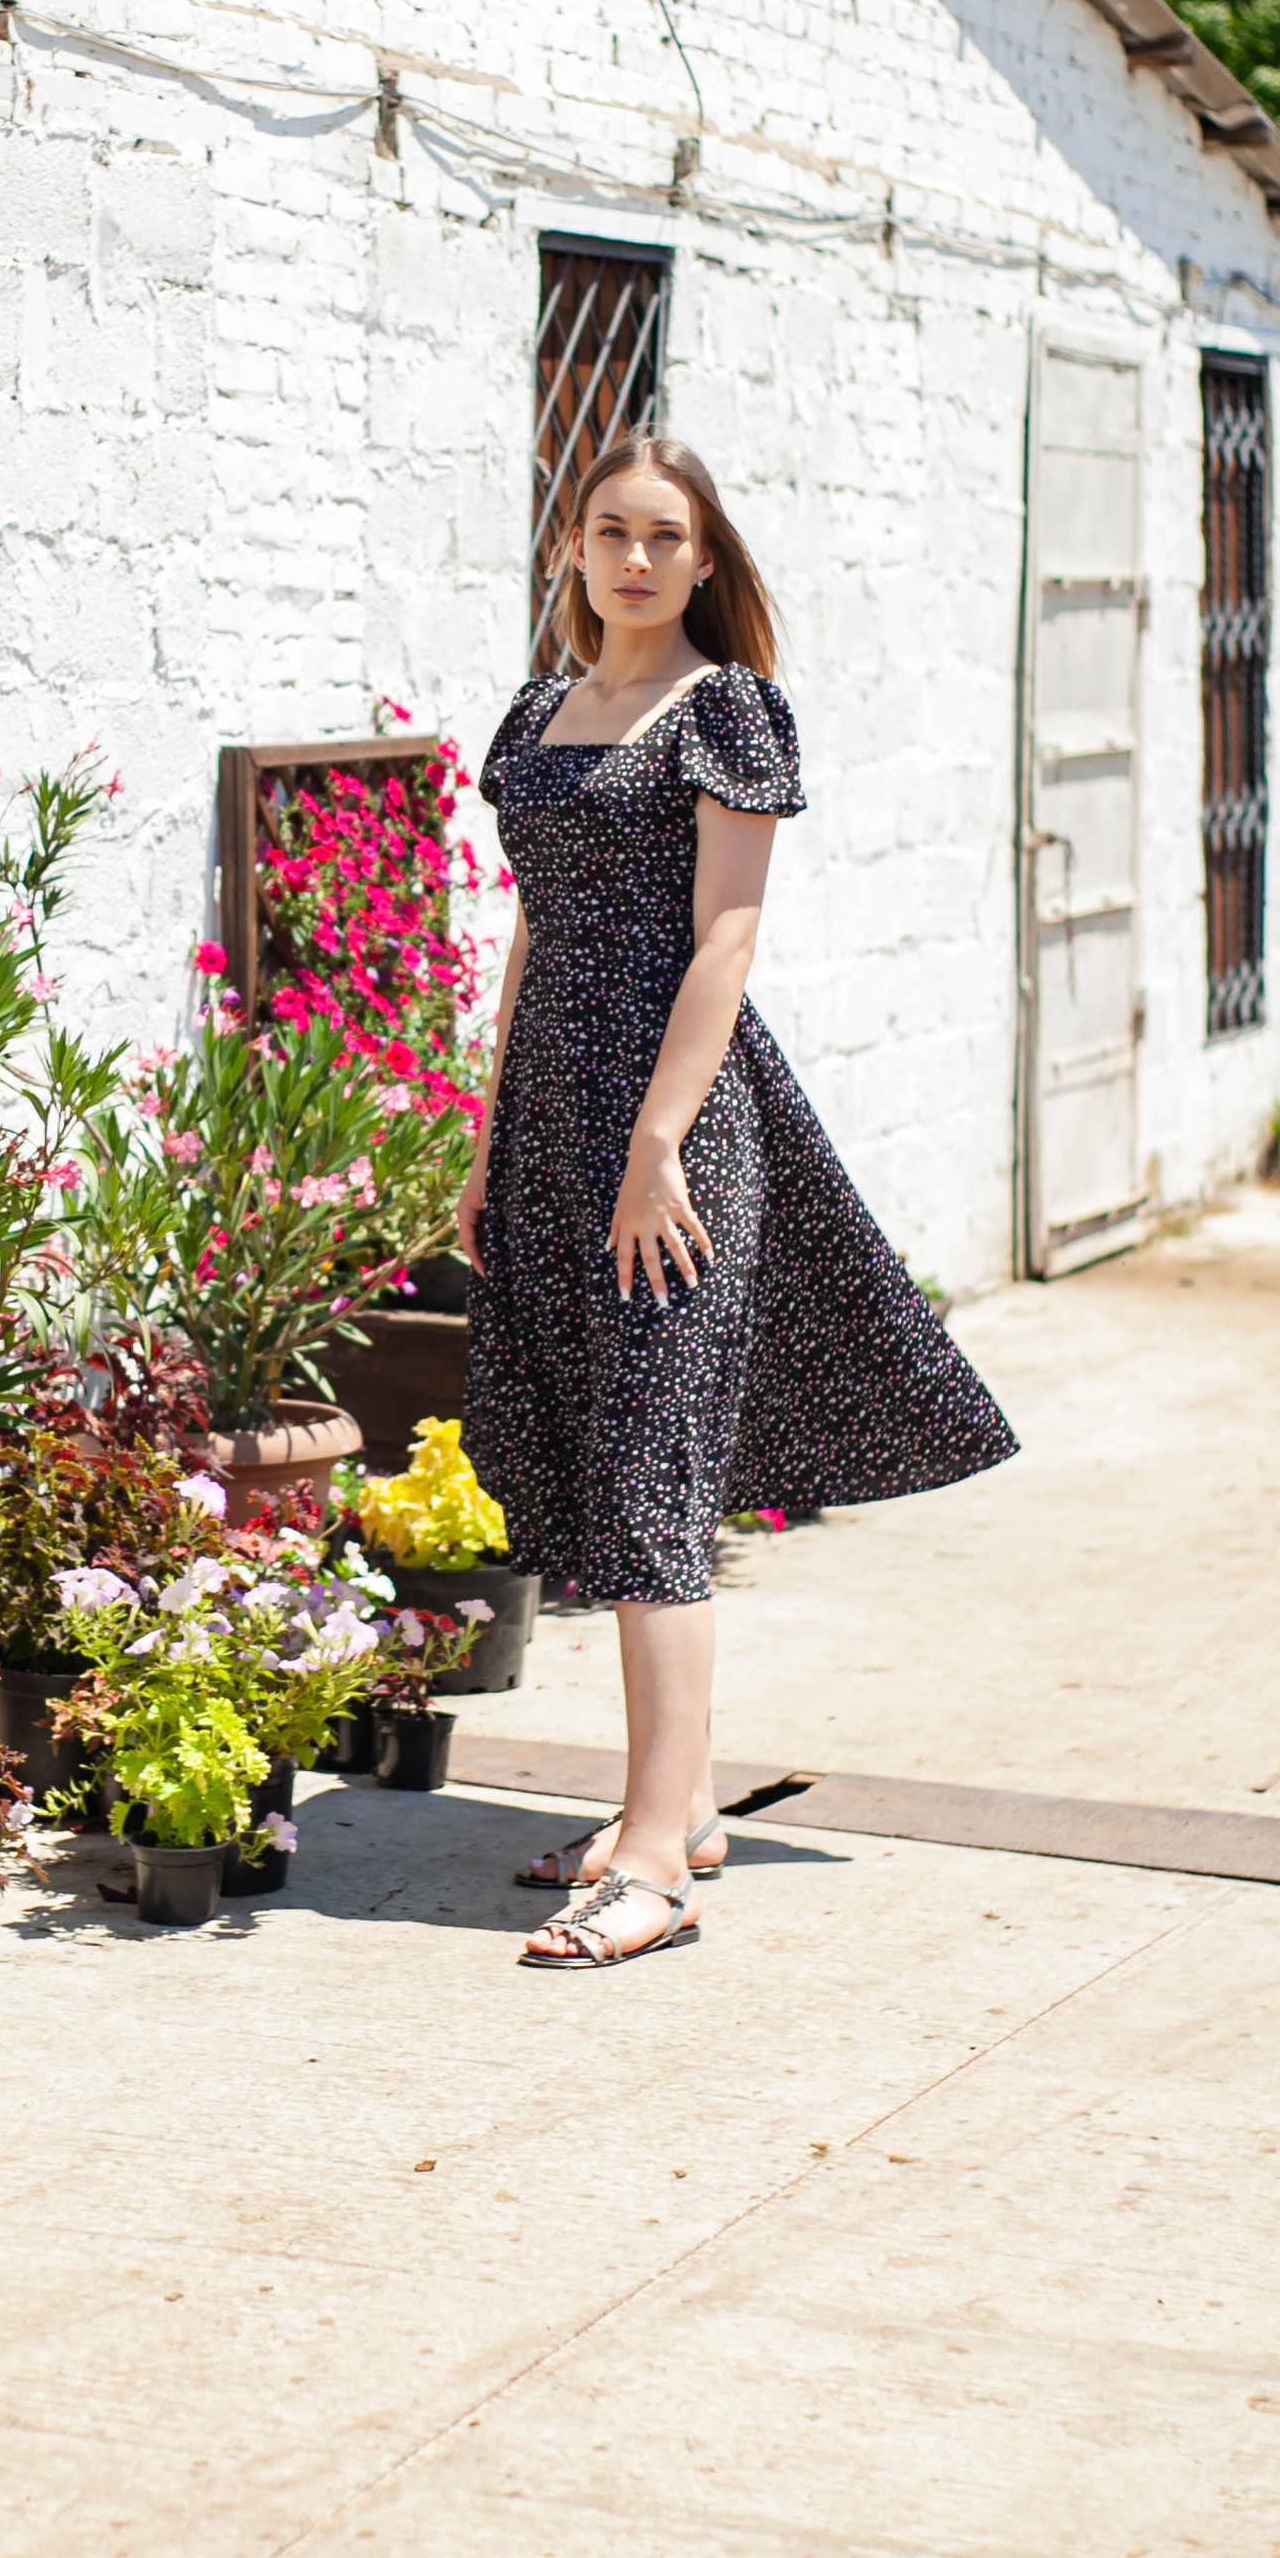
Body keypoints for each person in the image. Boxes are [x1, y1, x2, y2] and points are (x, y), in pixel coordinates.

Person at [459, 431, 1016, 1969]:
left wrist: (655, 1146)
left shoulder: (732, 713)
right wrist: (488, 1141)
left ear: (706, 562)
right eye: (608, 530)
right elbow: (531, 938)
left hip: (678, 1137)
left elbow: (725, 942)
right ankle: (681, 1801)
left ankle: (652, 1865)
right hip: (554, 1123)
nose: (633, 559)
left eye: (664, 537)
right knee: (597, 1458)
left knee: (650, 1482)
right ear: (574, 545)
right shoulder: (540, 714)